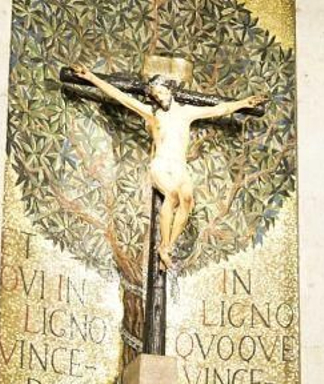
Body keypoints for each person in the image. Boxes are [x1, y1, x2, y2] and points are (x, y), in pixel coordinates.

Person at [68, 64, 265, 270]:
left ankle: (167, 247)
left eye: (162, 92)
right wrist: (91, 77)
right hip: (161, 164)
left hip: (179, 166)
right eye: (156, 95)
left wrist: (244, 102)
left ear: (169, 91)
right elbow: (122, 97)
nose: (160, 97)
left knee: (187, 201)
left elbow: (219, 109)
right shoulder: (151, 114)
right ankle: (163, 245)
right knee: (172, 196)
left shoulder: (187, 112)